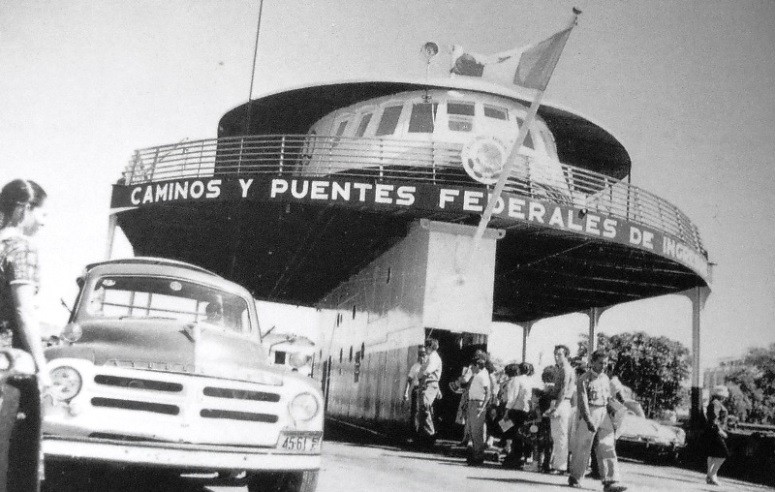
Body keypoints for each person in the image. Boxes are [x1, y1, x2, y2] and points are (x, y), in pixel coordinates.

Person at [0, 179, 49, 384]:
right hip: (8, 359)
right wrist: (43, 369)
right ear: (26, 209)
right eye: (42, 214)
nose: (43, 222)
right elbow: (24, 313)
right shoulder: (21, 249)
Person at [568, 350, 627, 492]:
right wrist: (588, 420)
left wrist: (615, 413)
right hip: (590, 412)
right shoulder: (584, 379)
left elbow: (608, 398)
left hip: (604, 412)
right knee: (583, 446)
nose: (603, 366)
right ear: (592, 362)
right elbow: (582, 401)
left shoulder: (606, 378)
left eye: (605, 363)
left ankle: (611, 481)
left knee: (607, 445)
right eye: (600, 363)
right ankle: (575, 477)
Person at [548, 344, 576, 474]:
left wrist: (556, 407)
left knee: (560, 436)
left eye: (559, 354)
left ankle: (560, 466)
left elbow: (563, 390)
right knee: (558, 436)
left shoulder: (565, 369)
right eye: (555, 353)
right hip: (562, 403)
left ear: (566, 355)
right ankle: (558, 464)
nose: (556, 356)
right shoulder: (563, 369)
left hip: (562, 403)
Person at [465, 352, 490, 465]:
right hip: (473, 402)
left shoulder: (482, 375)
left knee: (476, 432)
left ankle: (478, 456)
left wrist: (483, 407)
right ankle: (475, 454)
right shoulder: (477, 375)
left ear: (478, 366)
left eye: (473, 366)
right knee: (472, 430)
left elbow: (488, 392)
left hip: (478, 403)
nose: (471, 368)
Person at [703, 385, 730, 486]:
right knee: (723, 454)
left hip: (711, 432)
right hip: (715, 432)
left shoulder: (714, 403)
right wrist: (720, 431)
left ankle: (710, 476)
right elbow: (713, 419)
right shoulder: (716, 404)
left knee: (713, 455)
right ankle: (712, 474)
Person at [418, 338, 442, 447]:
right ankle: (424, 434)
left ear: (429, 347)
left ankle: (430, 434)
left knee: (425, 407)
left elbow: (427, 371)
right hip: (427, 384)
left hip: (429, 383)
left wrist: (421, 378)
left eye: (426, 347)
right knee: (424, 410)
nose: (425, 349)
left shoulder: (434, 357)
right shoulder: (430, 357)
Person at [403, 346, 428, 438]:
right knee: (416, 413)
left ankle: (425, 434)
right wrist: (405, 393)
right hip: (417, 391)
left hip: (427, 391)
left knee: (426, 413)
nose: (422, 357)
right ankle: (414, 435)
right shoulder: (415, 366)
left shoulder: (429, 366)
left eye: (423, 354)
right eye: (420, 355)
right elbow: (409, 380)